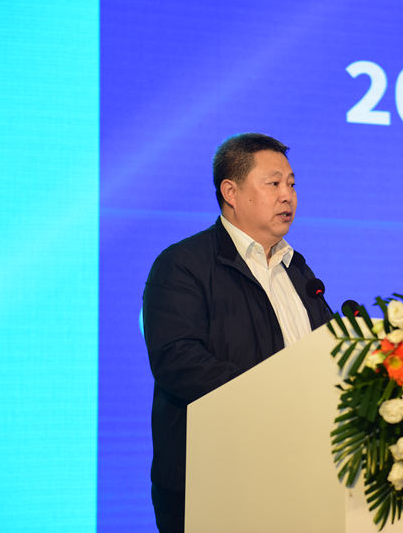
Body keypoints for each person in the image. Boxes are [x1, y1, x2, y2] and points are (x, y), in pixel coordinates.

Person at [142, 133, 331, 532]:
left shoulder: (297, 271)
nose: (288, 195)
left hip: (298, 479)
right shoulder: (183, 265)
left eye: (292, 184)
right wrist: (279, 394)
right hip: (214, 486)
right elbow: (178, 361)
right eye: (274, 183)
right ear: (231, 192)